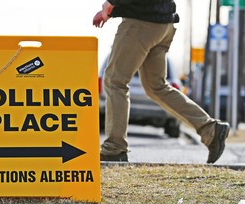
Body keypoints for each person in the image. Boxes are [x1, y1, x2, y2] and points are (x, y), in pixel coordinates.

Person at [93, 0, 230, 163]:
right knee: (156, 86)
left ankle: (114, 149)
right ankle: (210, 129)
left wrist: (110, 3)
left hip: (141, 23)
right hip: (163, 24)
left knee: (115, 81)